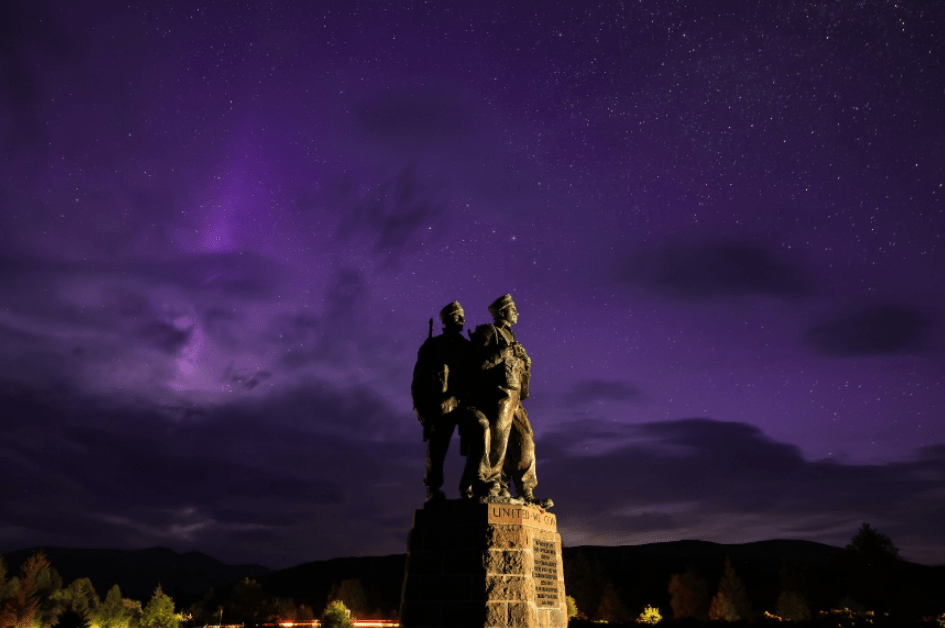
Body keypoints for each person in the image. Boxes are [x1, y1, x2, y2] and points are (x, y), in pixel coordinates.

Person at [466, 294, 552, 508]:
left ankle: (526, 491)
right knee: (497, 440)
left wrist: (526, 364)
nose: (517, 313)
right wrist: (502, 353)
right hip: (497, 395)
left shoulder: (514, 339)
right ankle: (491, 483)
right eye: (513, 309)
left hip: (515, 399)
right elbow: (475, 364)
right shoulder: (488, 332)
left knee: (526, 442)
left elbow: (524, 390)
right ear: (502, 312)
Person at [410, 301, 472, 501]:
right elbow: (418, 380)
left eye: (462, 315)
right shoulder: (433, 345)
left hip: (464, 402)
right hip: (441, 404)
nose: (462, 319)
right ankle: (433, 488)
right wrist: (419, 407)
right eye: (458, 315)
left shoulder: (468, 346)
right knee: (438, 448)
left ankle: (469, 486)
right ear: (447, 320)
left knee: (474, 441)